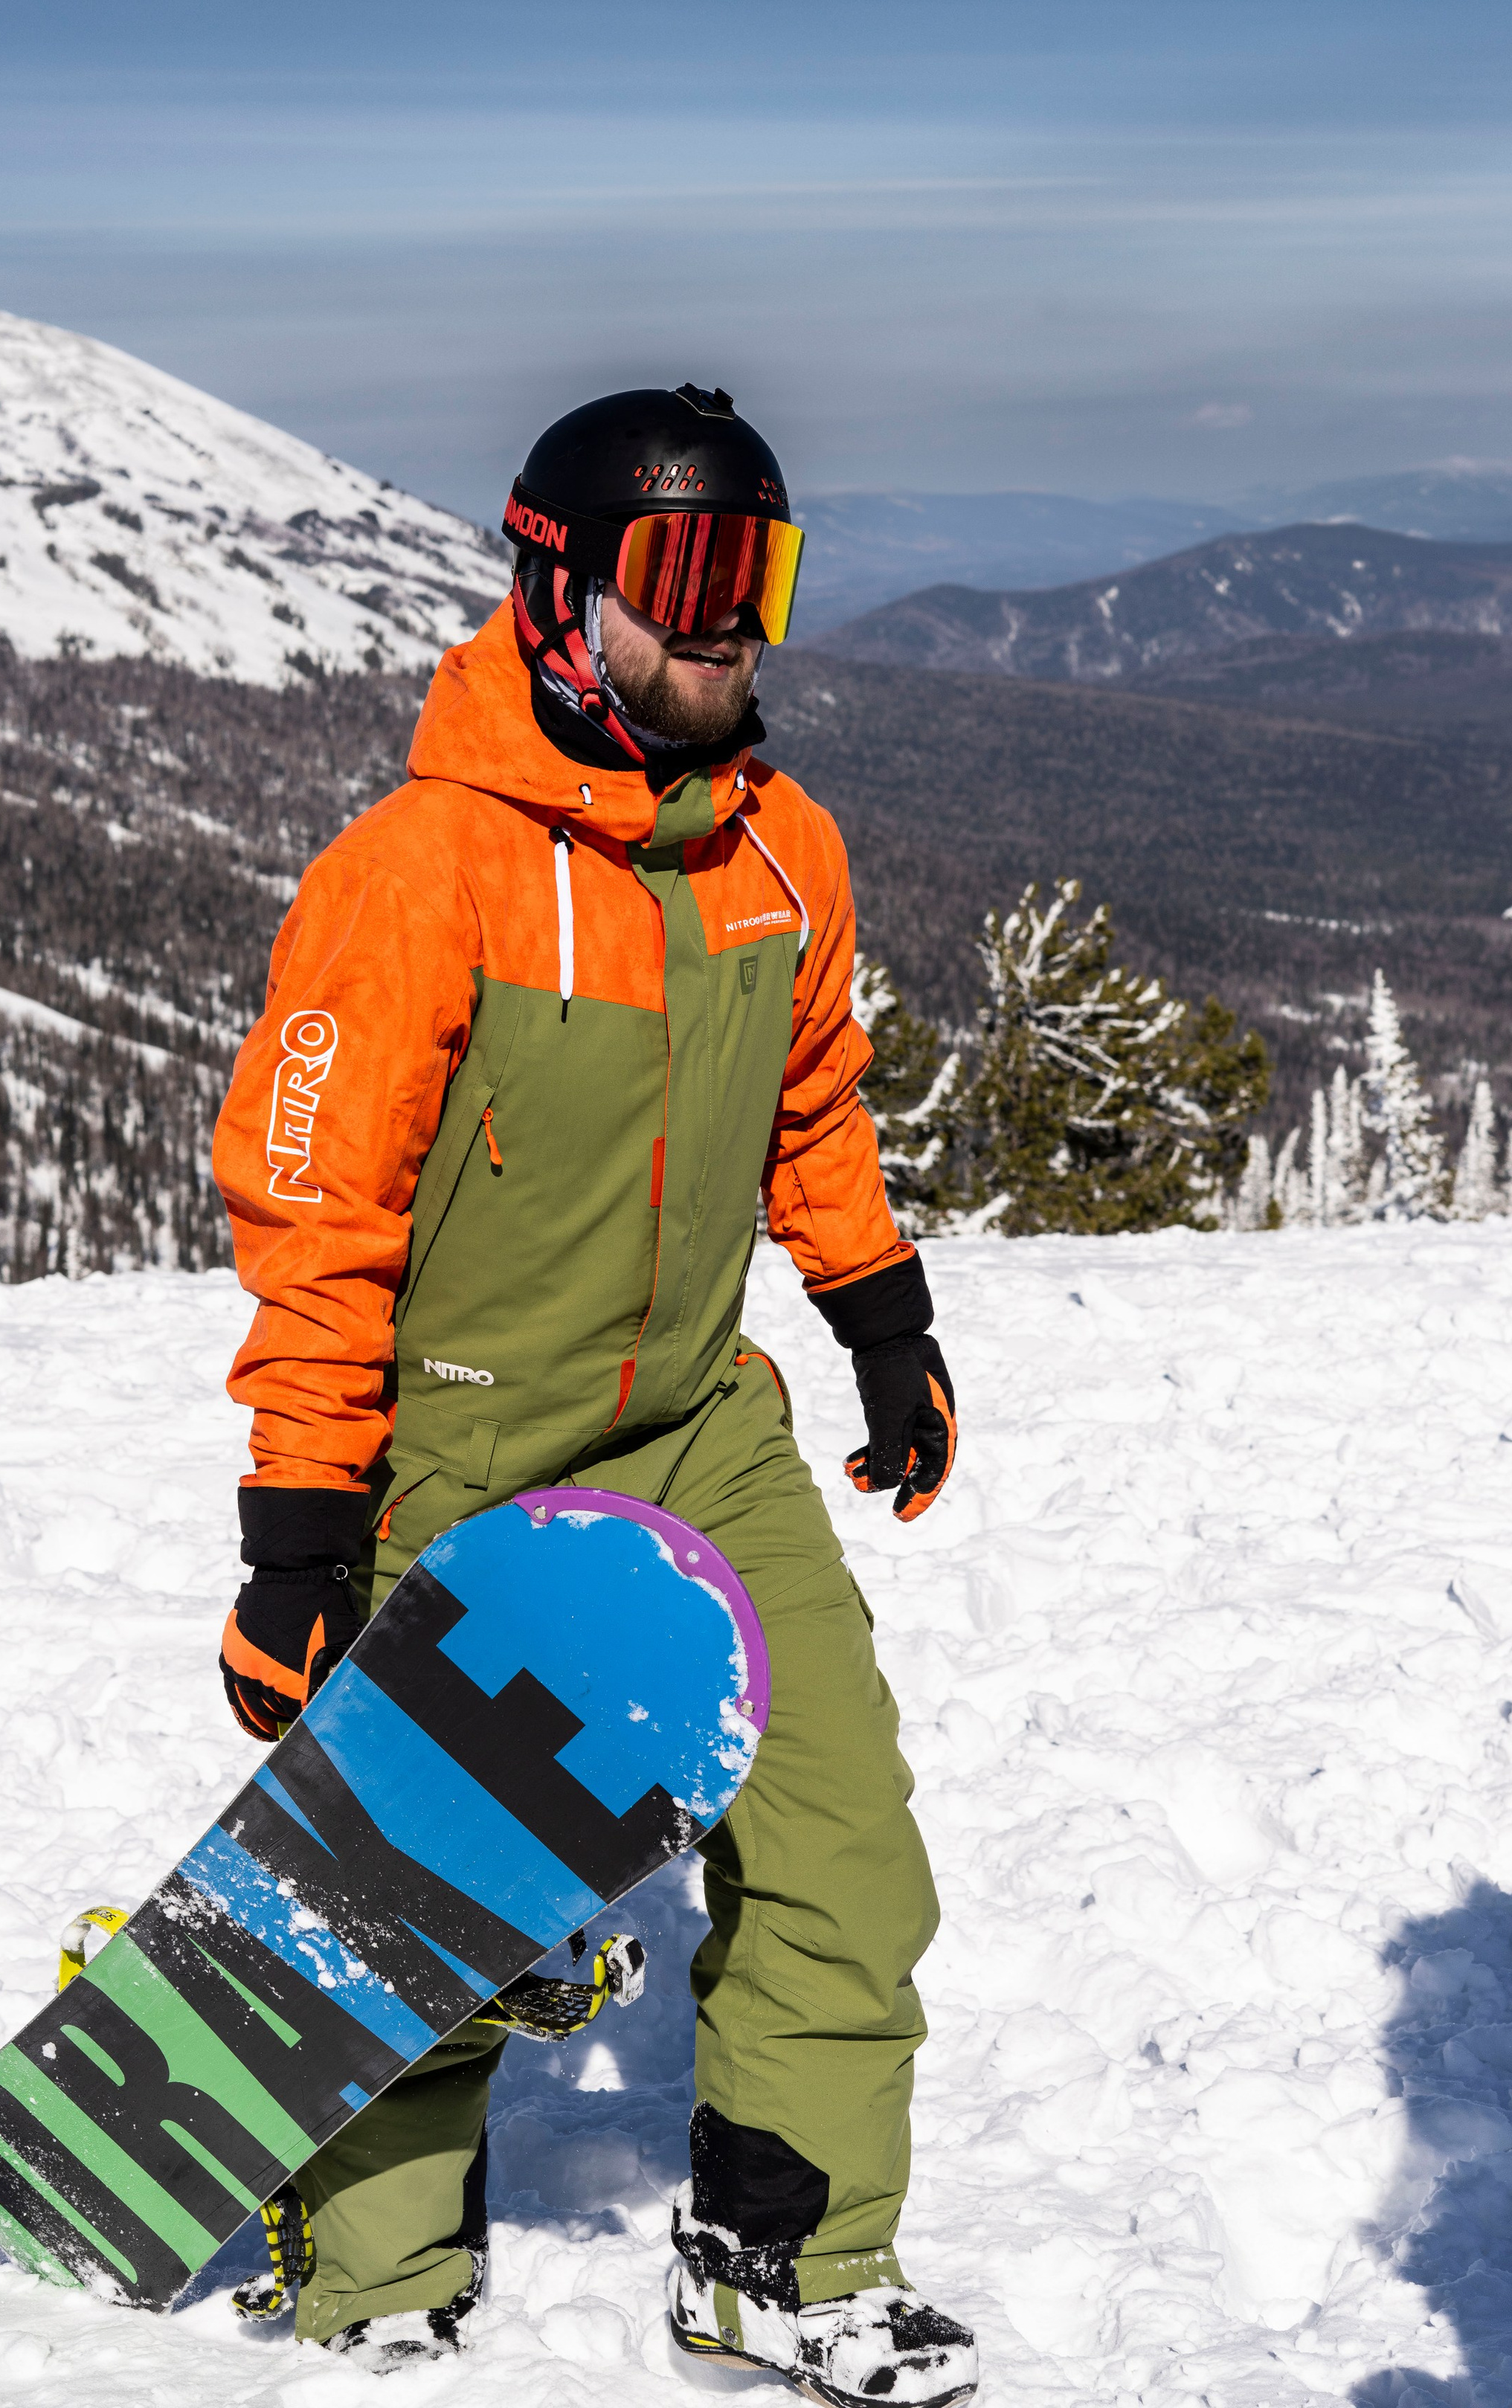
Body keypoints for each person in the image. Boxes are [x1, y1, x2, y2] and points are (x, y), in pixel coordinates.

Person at [210, 384, 977, 2403]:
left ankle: (787, 2256)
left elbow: (813, 1104)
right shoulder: (421, 872)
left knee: (846, 1850)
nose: (729, 620)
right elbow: (315, 1213)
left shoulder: (782, 851)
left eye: (761, 574)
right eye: (686, 572)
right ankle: (373, 2268)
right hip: (459, 1440)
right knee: (433, 1894)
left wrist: (879, 1317)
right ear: (560, 594)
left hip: (698, 1427)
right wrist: (301, 1533)